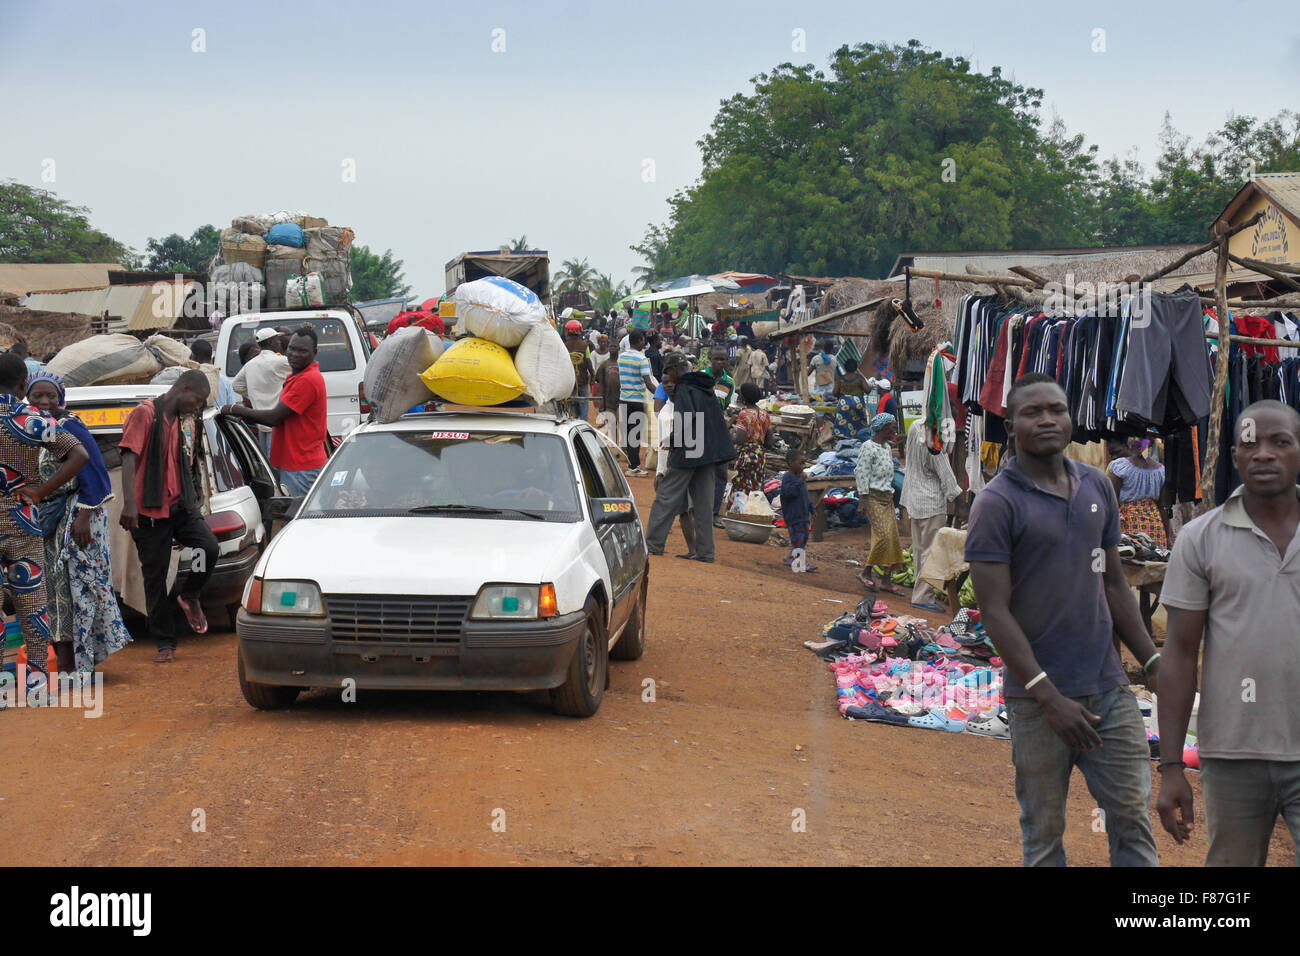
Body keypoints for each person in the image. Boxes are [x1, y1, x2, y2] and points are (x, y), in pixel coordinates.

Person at [965, 372, 1160, 867]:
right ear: (1010, 424)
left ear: (1072, 417)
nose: (1048, 419)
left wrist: (1153, 661)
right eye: (1033, 412)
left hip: (1108, 690)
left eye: (1057, 409)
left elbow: (1114, 584)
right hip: (1037, 702)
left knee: (1131, 820)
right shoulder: (996, 503)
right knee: (1044, 831)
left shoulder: (1096, 484)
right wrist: (1048, 697)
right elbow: (994, 611)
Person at [1156, 400, 1300, 866]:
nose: (1263, 454)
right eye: (1250, 443)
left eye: (1281, 442)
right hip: (1232, 756)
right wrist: (1172, 765)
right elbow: (1178, 654)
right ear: (1235, 456)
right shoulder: (1201, 538)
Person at [26, 372, 130, 680]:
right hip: (46, 518)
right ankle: (68, 664)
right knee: (55, 592)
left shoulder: (69, 426)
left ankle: (75, 665)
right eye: (37, 397)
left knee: (76, 590)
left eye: (51, 397)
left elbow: (93, 471)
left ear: (61, 399)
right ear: (27, 399)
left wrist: (84, 514)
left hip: (77, 518)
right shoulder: (29, 429)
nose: (45, 402)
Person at [0, 354, 89, 702]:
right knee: (33, 607)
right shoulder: (32, 418)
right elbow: (79, 454)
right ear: (24, 384)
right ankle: (37, 689)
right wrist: (39, 492)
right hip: (24, 522)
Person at [119, 370, 218, 664]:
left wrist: (195, 502)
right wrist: (130, 504)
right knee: (156, 578)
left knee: (207, 548)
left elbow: (187, 464)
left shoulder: (185, 422)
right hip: (150, 512)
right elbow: (128, 457)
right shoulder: (146, 414)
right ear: (184, 388)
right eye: (197, 400)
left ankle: (190, 595)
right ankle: (165, 642)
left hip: (180, 507)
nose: (197, 406)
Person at [644, 352, 735, 563]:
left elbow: (686, 418)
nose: (669, 379)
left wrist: (674, 445)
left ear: (676, 371)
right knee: (703, 504)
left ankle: (652, 545)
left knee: (665, 497)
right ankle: (705, 552)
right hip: (709, 452)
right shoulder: (704, 386)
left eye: (669, 374)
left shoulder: (685, 387)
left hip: (689, 451)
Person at [222, 326, 329, 497]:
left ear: (314, 352)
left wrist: (235, 409)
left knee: (300, 519)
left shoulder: (307, 380)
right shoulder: (293, 377)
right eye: (292, 349)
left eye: (302, 351)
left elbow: (274, 418)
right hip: (295, 464)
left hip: (302, 466)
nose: (294, 354)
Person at [900, 418, 960, 611]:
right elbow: (944, 472)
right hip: (931, 501)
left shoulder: (915, 426)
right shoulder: (932, 436)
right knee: (931, 552)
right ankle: (923, 596)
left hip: (914, 499)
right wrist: (957, 495)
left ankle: (920, 593)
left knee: (920, 550)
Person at [855, 413, 905, 595]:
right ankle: (866, 572)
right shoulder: (868, 447)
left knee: (892, 538)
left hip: (887, 498)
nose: (894, 430)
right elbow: (861, 473)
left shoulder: (886, 447)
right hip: (873, 498)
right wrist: (862, 500)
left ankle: (886, 579)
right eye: (892, 427)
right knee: (883, 536)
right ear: (883, 429)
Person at [654, 372, 697, 559]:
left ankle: (696, 549)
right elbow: (663, 444)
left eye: (672, 381)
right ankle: (693, 549)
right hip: (673, 466)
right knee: (682, 509)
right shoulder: (665, 412)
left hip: (690, 463)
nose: (668, 385)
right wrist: (660, 471)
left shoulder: (689, 407)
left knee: (689, 509)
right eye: (665, 383)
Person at [231, 327, 290, 460]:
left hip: (261, 422)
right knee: (276, 462)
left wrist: (254, 394)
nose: (279, 343)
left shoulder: (250, 364)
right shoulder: (280, 361)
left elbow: (236, 385)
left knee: (266, 461)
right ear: (270, 342)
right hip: (277, 422)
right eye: (277, 340)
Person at [1107, 437, 1170, 549]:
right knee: (1155, 564)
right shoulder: (1161, 471)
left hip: (1129, 524)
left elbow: (1112, 502)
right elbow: (1162, 507)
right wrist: (1168, 536)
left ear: (1130, 444)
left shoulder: (1120, 467)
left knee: (1131, 562)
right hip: (1155, 526)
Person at [702, 345, 737, 526]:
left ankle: (715, 514)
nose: (719, 362)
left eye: (723, 359)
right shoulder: (700, 377)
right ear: (709, 358)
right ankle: (697, 511)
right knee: (700, 472)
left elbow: (726, 406)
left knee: (721, 474)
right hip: (701, 430)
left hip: (720, 431)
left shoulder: (729, 382)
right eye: (716, 359)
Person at [617, 330, 655, 477]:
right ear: (639, 341)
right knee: (636, 434)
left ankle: (631, 463)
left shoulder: (622, 357)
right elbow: (648, 383)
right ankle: (634, 466)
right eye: (643, 341)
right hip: (638, 400)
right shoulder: (642, 359)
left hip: (624, 398)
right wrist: (660, 394)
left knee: (627, 433)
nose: (644, 343)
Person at [730, 383, 772, 497]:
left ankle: (740, 513)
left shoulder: (744, 414)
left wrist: (732, 434)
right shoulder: (765, 414)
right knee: (756, 488)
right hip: (760, 456)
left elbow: (739, 439)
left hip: (746, 456)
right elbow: (769, 441)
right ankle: (753, 512)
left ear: (743, 397)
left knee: (741, 487)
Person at [780, 448, 816, 572]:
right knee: (798, 540)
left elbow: (805, 494)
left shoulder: (801, 478)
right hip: (794, 516)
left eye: (804, 463)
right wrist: (800, 481)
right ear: (790, 463)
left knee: (803, 538)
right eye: (800, 463)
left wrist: (811, 507)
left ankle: (792, 558)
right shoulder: (787, 478)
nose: (803, 466)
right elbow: (789, 493)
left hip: (804, 514)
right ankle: (799, 564)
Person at [189, 339, 237, 407]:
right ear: (211, 356)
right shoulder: (225, 381)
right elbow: (232, 407)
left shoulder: (192, 379)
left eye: (191, 357)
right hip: (222, 417)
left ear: (194, 357)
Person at [563, 321, 593, 423]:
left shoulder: (564, 346)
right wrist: (593, 376)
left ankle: (574, 420)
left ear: (568, 332)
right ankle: (584, 421)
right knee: (584, 402)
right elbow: (588, 362)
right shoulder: (584, 346)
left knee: (571, 401)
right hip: (583, 380)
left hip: (569, 381)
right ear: (579, 332)